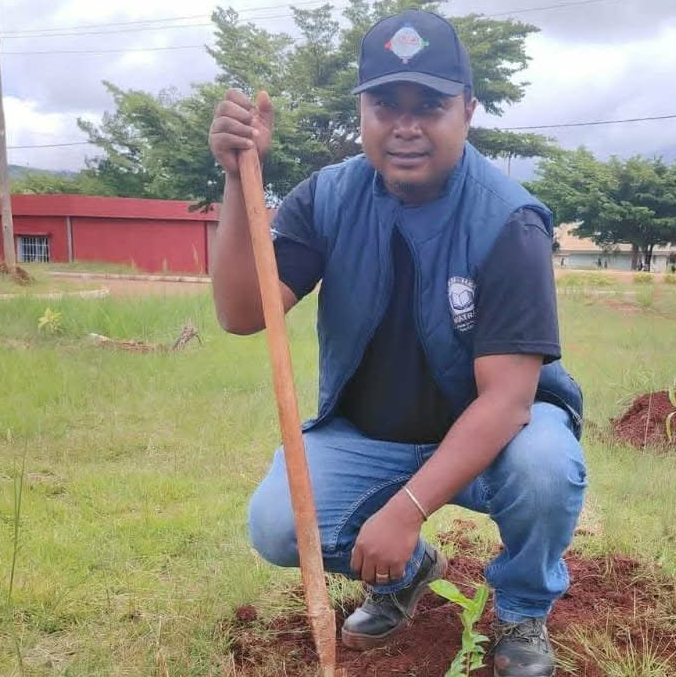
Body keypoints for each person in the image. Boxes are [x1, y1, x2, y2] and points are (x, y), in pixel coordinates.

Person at [207, 10, 586, 677]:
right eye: (385, 103)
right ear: (362, 110)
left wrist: (407, 508)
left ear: (467, 110)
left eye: (430, 105)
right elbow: (243, 311)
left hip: (492, 439)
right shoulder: (326, 197)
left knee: (545, 466)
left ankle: (523, 611)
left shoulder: (509, 221)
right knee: (275, 524)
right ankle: (405, 574)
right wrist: (240, 179)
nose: (405, 126)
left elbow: (505, 402)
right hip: (370, 434)